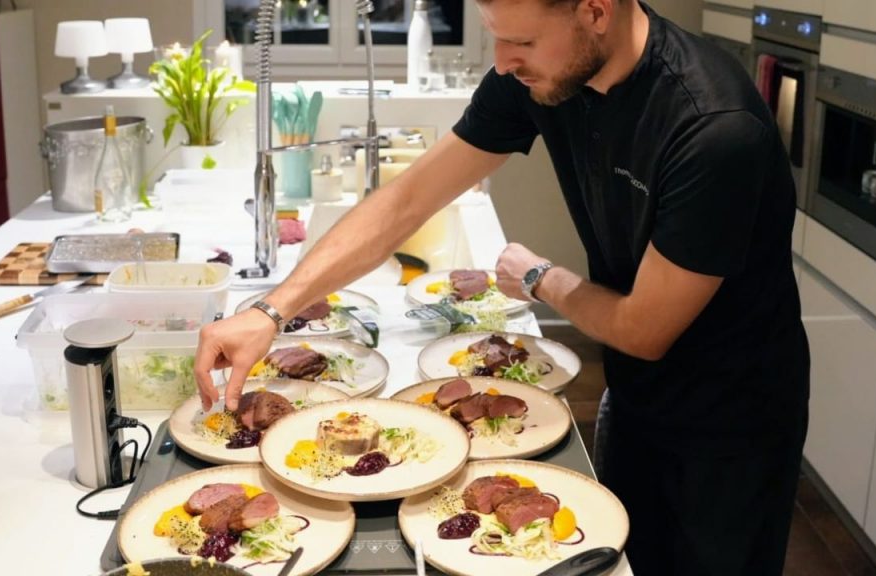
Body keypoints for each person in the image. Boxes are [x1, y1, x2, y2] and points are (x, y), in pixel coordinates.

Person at [194, 0, 810, 574]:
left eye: (520, 40)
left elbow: (643, 329)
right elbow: (405, 202)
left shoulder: (713, 128)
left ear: (595, 11)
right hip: (636, 392)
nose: (502, 61)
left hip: (731, 424)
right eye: (496, 37)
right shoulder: (542, 72)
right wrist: (270, 311)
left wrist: (544, 280)